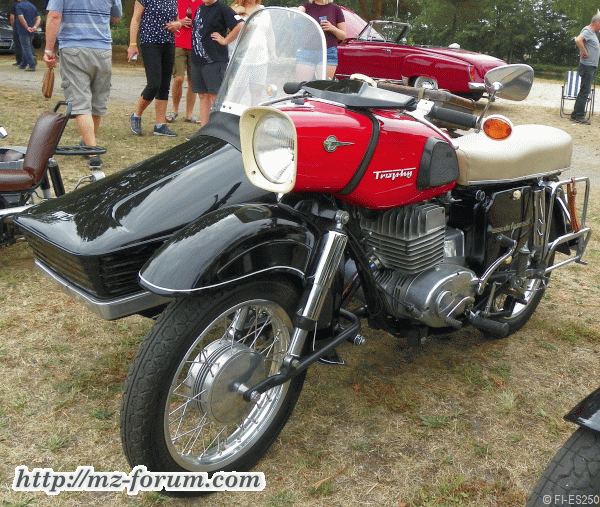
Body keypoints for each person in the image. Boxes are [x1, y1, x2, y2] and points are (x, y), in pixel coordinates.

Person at [43, 0, 122, 171]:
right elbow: (116, 17)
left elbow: (54, 16)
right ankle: (88, 143)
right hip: (103, 50)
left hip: (73, 48)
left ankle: (93, 154)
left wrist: (48, 49)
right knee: (97, 102)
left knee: (80, 102)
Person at [128, 0, 182, 137]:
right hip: (150, 42)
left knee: (164, 85)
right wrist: (132, 44)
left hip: (168, 42)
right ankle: (136, 115)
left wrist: (178, 24)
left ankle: (160, 125)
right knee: (154, 84)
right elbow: (135, 19)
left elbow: (177, 20)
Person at [190, 0, 243, 126]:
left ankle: (219, 129)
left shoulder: (222, 8)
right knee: (202, 95)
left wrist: (225, 40)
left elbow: (240, 25)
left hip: (214, 59)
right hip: (197, 59)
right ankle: (205, 130)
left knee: (216, 96)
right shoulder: (200, 8)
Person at [167, 0, 203, 125]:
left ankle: (189, 114)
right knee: (178, 78)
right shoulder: (177, 1)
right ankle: (174, 110)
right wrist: (180, 22)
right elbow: (169, 21)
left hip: (195, 45)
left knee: (193, 80)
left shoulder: (202, 2)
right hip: (179, 43)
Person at [297, 0, 345, 80]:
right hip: (306, 51)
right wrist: (296, 10)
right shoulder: (306, 6)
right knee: (301, 85)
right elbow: (298, 12)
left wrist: (332, 28)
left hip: (328, 52)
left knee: (323, 86)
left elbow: (343, 36)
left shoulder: (335, 8)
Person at [571, 14, 600, 125]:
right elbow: (578, 40)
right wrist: (584, 52)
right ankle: (578, 115)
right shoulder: (588, 31)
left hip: (590, 66)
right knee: (585, 91)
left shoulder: (593, 33)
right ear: (597, 22)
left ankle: (576, 114)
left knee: (584, 90)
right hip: (587, 66)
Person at [14, 0, 40, 71]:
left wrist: (26, 27)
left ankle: (32, 65)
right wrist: (35, 27)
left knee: (26, 47)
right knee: (26, 47)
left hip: (23, 30)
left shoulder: (18, 6)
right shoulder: (32, 6)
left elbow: (21, 17)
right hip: (32, 30)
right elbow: (38, 18)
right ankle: (23, 64)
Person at [9, 1, 23, 67]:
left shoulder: (15, 5)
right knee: (27, 44)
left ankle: (19, 61)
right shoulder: (30, 5)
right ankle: (29, 60)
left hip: (17, 27)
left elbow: (12, 17)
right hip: (27, 27)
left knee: (18, 44)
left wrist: (13, 25)